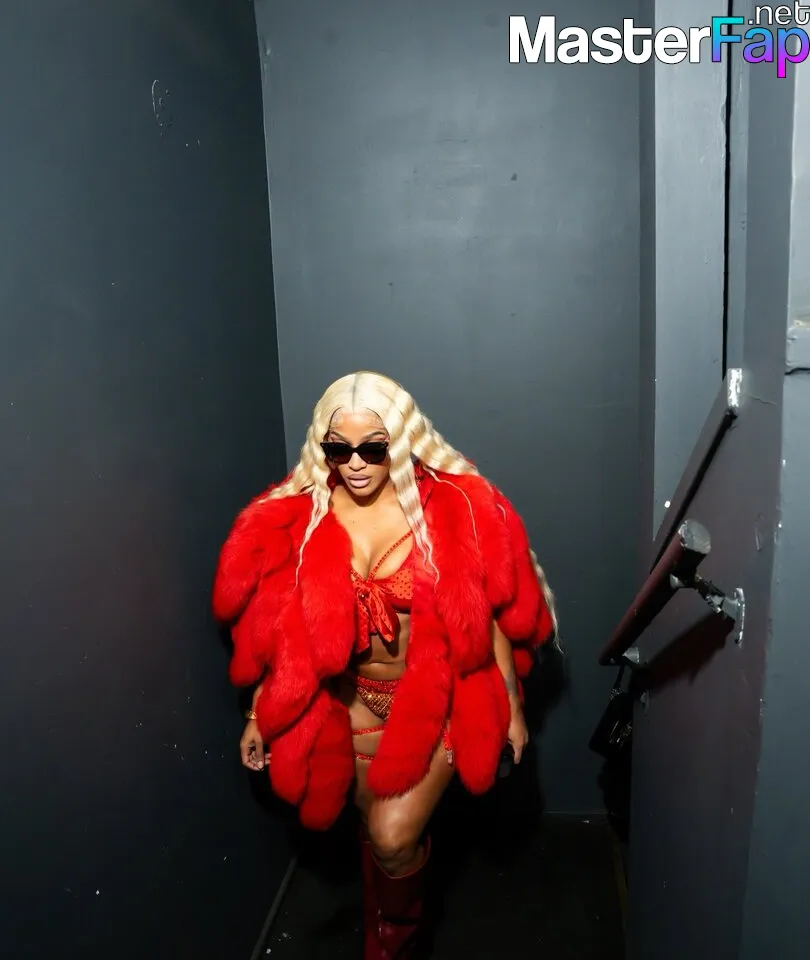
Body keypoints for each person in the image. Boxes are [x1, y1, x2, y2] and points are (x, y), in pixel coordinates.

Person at [212, 371, 557, 958]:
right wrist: (257, 713)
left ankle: (396, 942)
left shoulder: (450, 506)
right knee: (377, 836)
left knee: (393, 837)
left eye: (373, 448)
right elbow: (279, 629)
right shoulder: (305, 514)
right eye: (338, 449)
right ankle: (382, 925)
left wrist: (511, 704)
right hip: (348, 706)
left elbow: (489, 612)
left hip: (433, 702)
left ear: (400, 440)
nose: (355, 464)